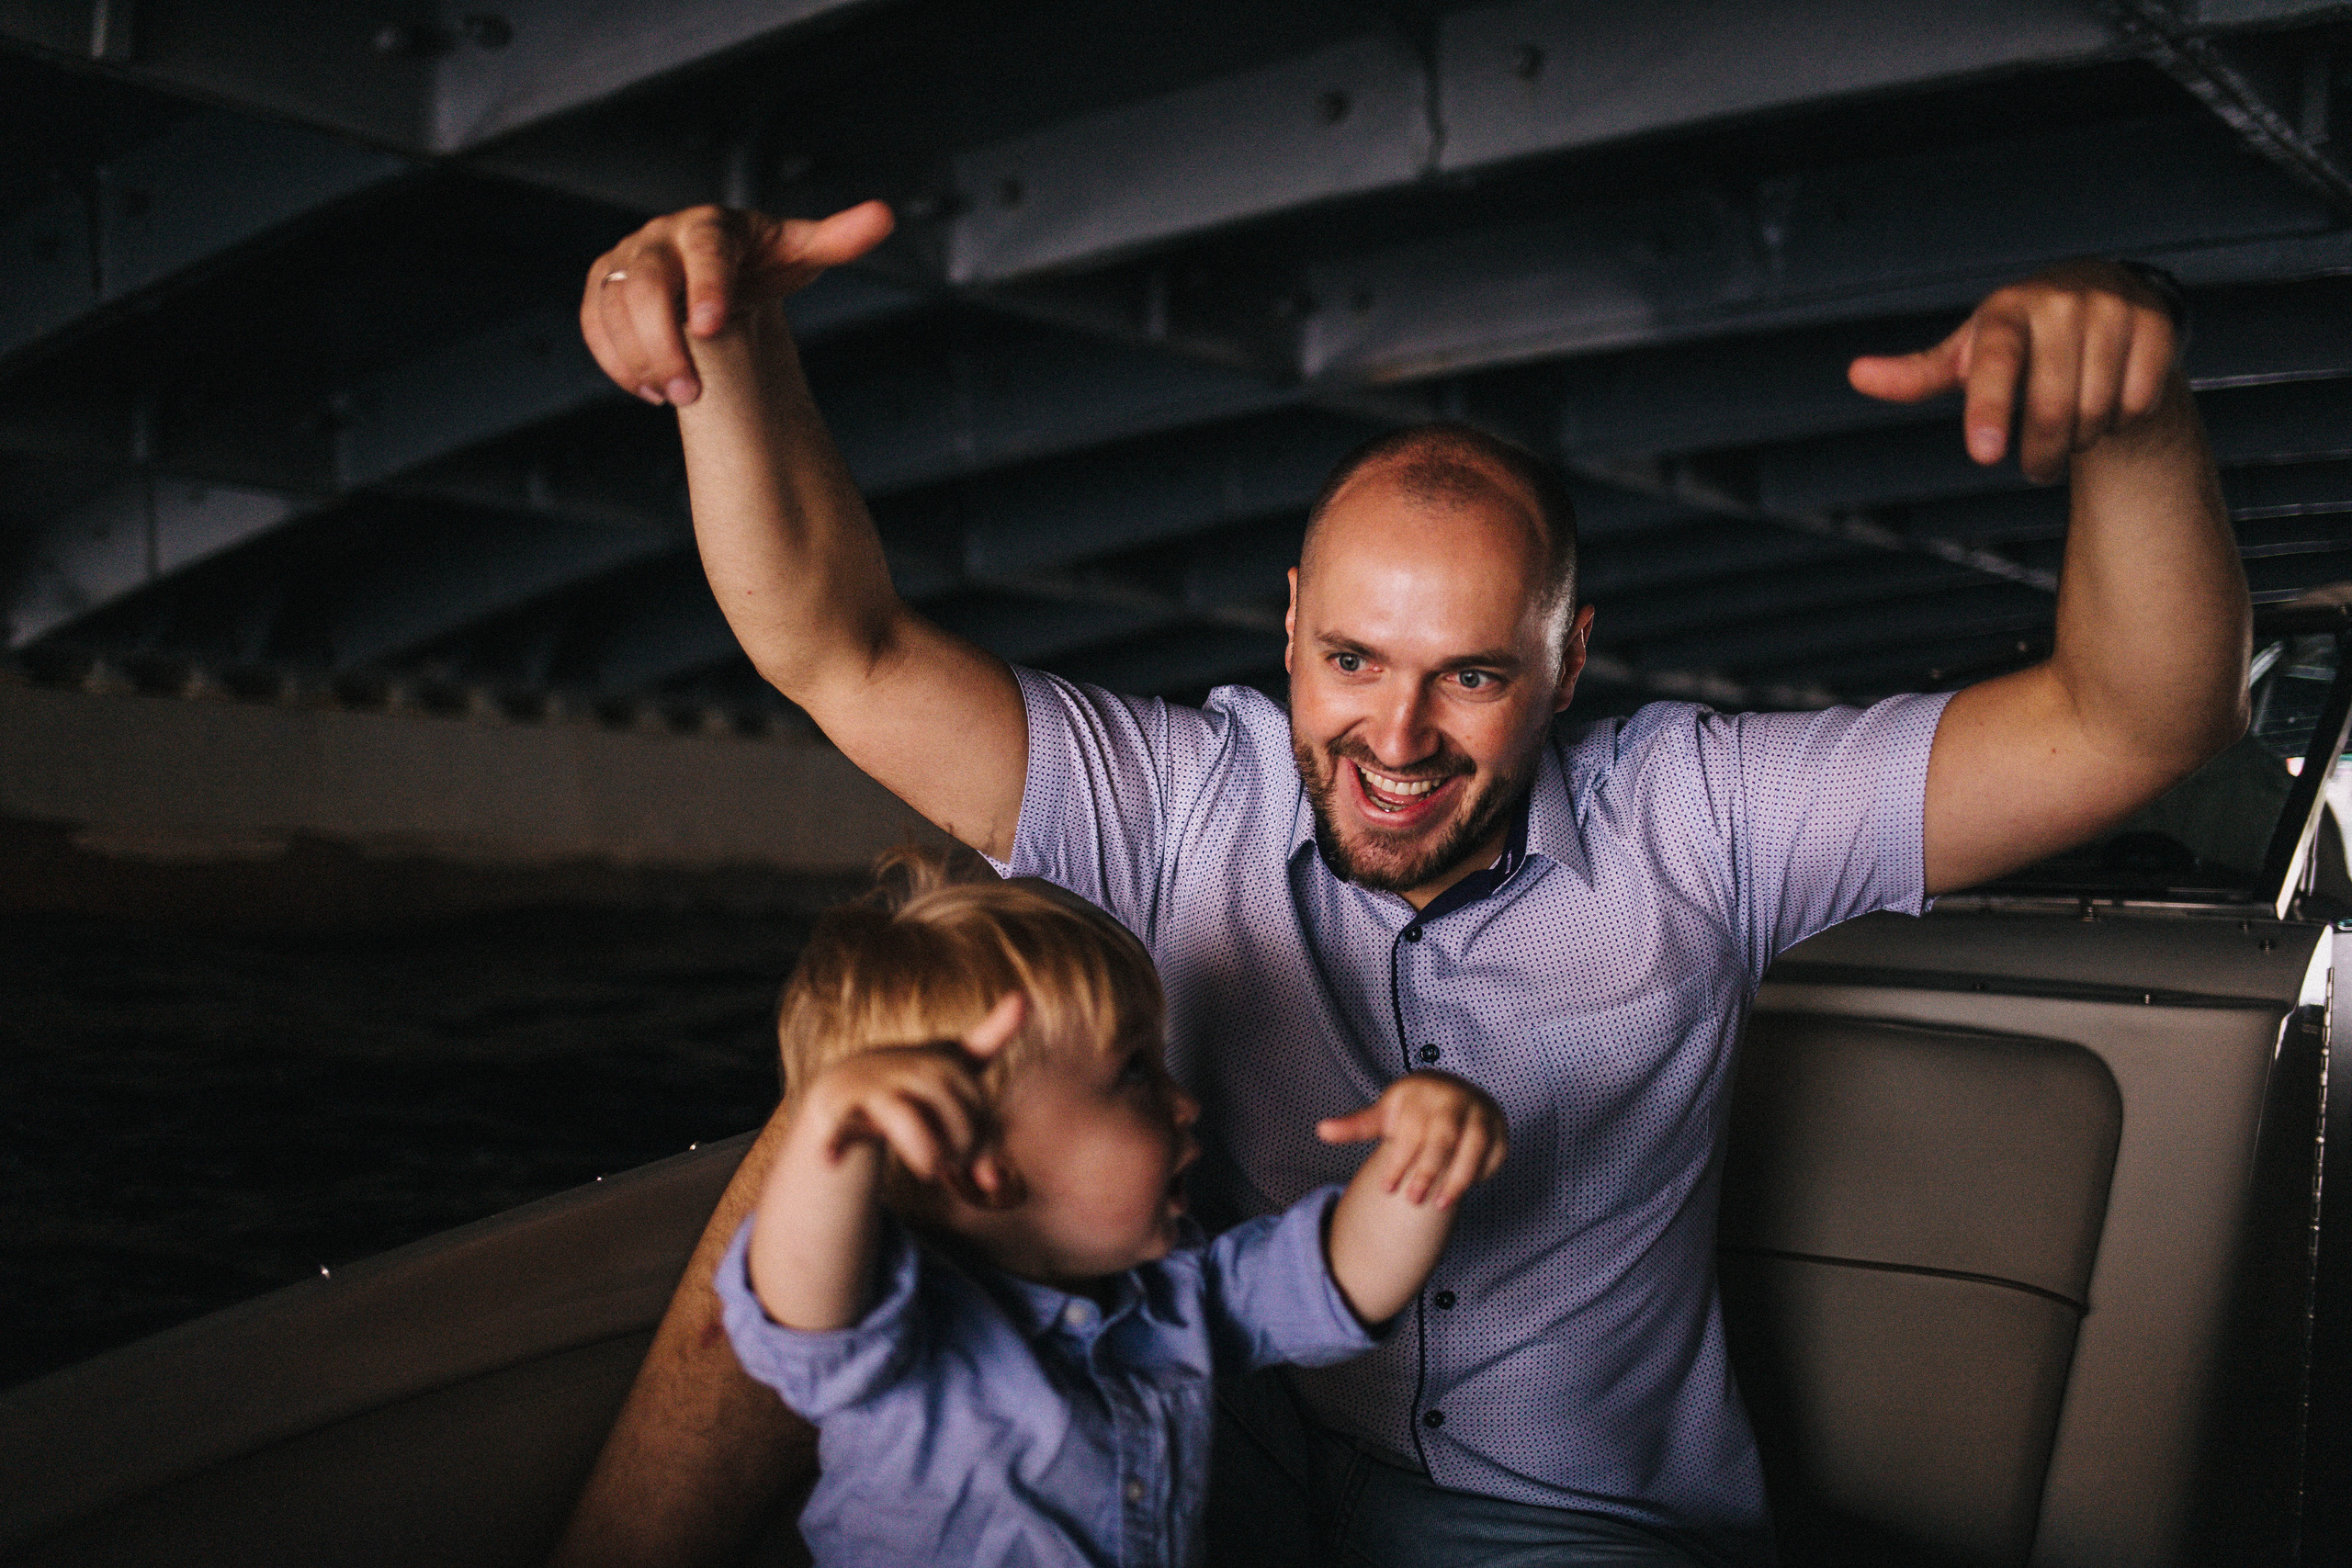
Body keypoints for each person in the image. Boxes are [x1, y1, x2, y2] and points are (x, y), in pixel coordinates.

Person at [550, 199, 2251, 1568]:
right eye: (1353, 658)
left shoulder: (1706, 812)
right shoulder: (1171, 794)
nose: (1397, 736)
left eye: (1473, 676)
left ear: (1567, 660)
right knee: (833, 1114)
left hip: (1564, 1521)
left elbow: (2135, 722)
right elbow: (837, 646)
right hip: (1224, 1441)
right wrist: (726, 354)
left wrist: (2138, 424)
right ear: (1290, 625)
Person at [719, 853, 1506, 1565]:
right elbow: (802, 1309)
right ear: (987, 1170)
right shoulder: (906, 1330)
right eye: (1134, 1072)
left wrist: (1421, 1157)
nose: (1184, 1102)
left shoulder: (1174, 1292)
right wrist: (834, 1130)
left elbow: (1348, 1273)